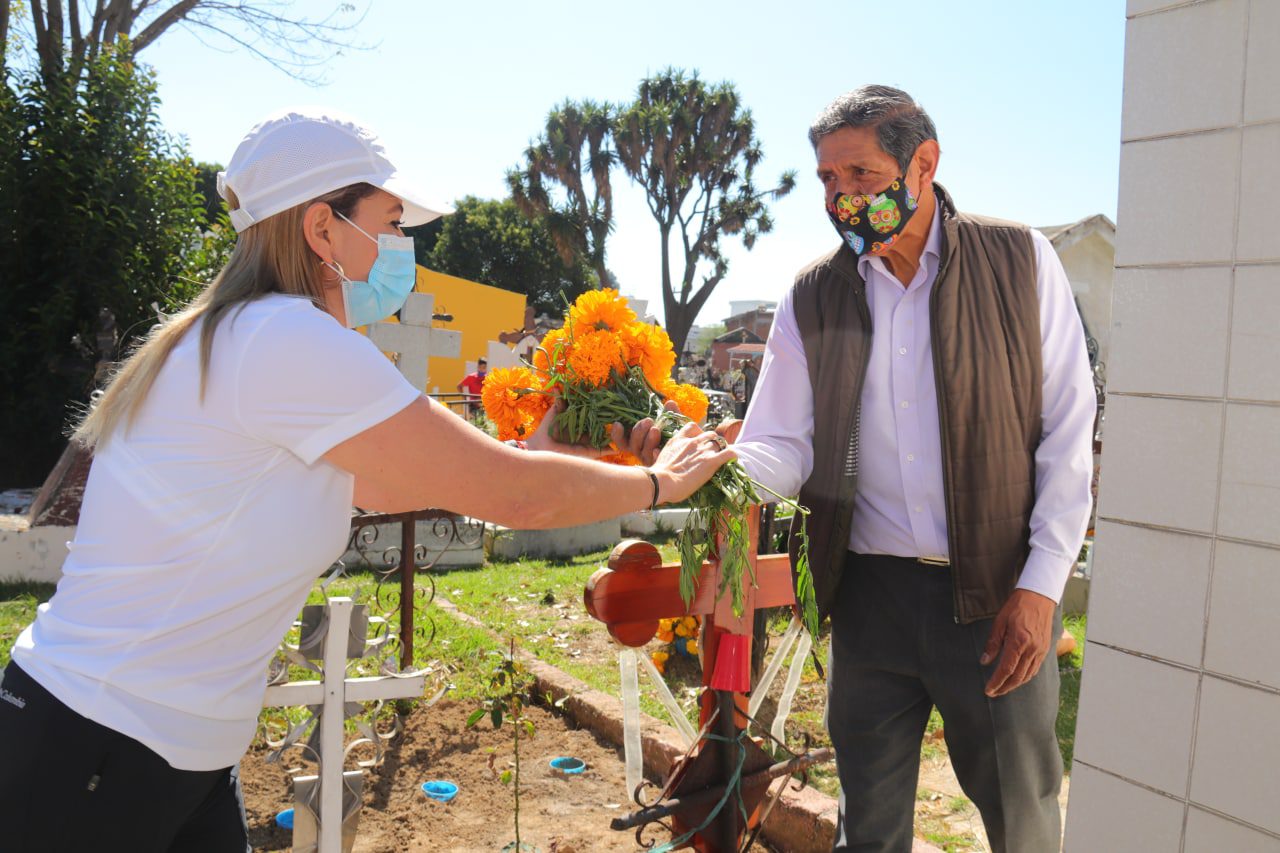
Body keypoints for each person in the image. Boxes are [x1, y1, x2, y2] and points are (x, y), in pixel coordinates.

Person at [0, 108, 734, 853]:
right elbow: (509, 494)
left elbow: (394, 485)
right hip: (100, 747)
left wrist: (549, 445)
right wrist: (657, 484)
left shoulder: (239, 333)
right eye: (389, 223)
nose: (402, 247)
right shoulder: (287, 339)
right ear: (322, 229)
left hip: (162, 747)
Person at [727, 86, 1095, 852]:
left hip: (997, 600)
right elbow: (781, 444)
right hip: (869, 600)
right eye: (828, 180)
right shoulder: (813, 295)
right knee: (869, 824)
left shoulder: (1019, 259)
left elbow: (1067, 428)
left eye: (860, 174)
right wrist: (705, 471)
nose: (841, 197)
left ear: (922, 164)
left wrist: (1041, 585)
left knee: (1023, 818)